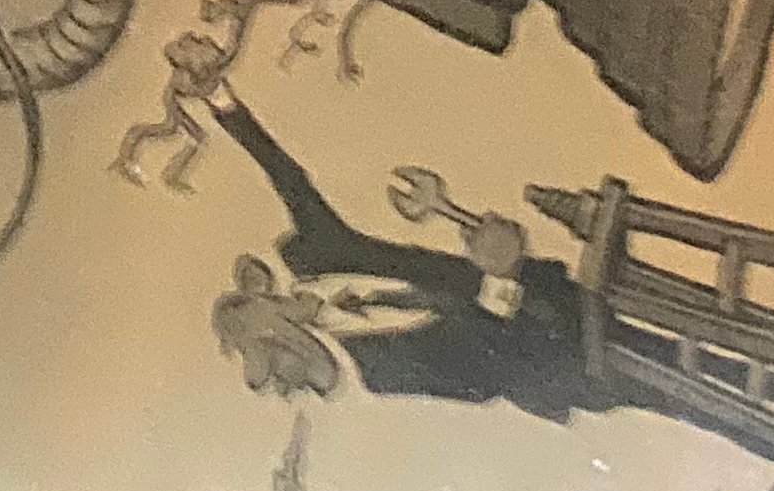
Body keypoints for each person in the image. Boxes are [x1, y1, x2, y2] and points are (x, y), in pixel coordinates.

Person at [198, 84, 595, 418]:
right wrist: (499, 302)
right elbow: (474, 384)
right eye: (272, 341)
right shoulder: (375, 372)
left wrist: (221, 100)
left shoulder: (321, 252)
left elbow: (287, 177)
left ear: (260, 291)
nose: (280, 336)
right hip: (549, 363)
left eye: (266, 324)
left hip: (549, 289)